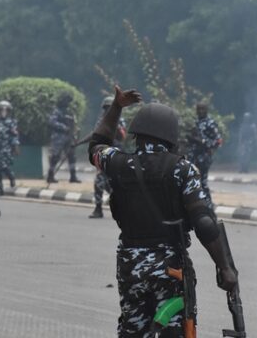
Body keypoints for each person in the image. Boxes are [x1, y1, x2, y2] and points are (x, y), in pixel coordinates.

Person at [88, 86, 239, 337]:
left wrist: (116, 107)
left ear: (136, 134)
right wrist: (224, 267)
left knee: (132, 329)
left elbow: (96, 145)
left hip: (129, 263)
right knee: (172, 330)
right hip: (169, 266)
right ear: (171, 137)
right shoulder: (183, 169)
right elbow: (203, 222)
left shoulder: (118, 163)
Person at [74, 96, 127, 219]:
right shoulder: (101, 120)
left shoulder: (120, 120)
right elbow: (94, 135)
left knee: (115, 183)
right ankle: (98, 209)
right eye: (106, 108)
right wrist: (80, 142)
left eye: (110, 108)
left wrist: (116, 124)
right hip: (103, 153)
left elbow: (122, 136)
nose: (107, 111)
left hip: (116, 154)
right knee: (99, 181)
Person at [186, 102, 223, 197]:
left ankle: (208, 206)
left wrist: (202, 141)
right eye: (199, 109)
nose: (201, 111)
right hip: (193, 157)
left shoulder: (210, 123)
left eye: (203, 109)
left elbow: (218, 140)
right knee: (192, 183)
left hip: (204, 157)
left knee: (202, 183)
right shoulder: (195, 123)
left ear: (206, 110)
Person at [46, 92, 81, 184]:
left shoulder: (70, 112)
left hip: (69, 137)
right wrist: (63, 127)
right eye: (66, 101)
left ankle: (73, 176)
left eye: (68, 101)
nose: (67, 103)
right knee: (55, 157)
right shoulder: (57, 111)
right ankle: (50, 176)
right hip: (59, 137)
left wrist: (75, 133)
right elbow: (51, 122)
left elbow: (74, 124)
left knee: (72, 157)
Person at [0, 100, 20, 189]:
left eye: (6, 110)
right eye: (2, 110)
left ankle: (11, 177)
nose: (4, 112)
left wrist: (16, 146)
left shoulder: (12, 122)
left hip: (6, 148)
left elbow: (14, 136)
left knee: (4, 166)